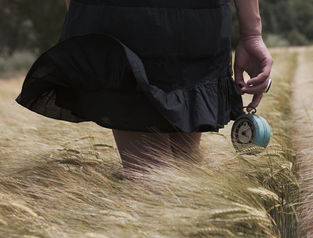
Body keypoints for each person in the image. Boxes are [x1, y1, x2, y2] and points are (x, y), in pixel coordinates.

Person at [15, 0, 273, 173]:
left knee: (149, 173)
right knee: (186, 168)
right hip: (200, 18)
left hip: (125, 15)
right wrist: (252, 33)